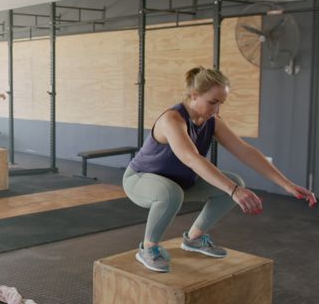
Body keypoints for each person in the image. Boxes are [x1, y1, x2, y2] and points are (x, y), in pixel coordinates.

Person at [122, 66, 316, 273]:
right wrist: (233, 190)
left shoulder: (212, 122)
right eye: (212, 102)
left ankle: (194, 239)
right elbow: (191, 158)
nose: (217, 110)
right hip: (141, 180)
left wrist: (286, 184)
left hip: (179, 183)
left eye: (221, 103)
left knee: (235, 182)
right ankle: (148, 248)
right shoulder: (172, 119)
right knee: (178, 193)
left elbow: (245, 151)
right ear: (194, 95)